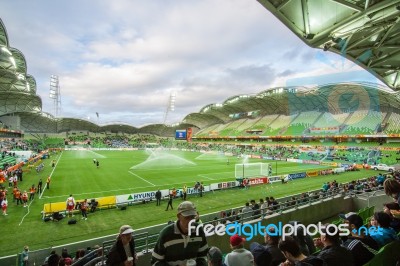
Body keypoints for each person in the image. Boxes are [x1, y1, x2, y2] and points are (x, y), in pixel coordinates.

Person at [151, 201, 208, 265]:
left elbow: (203, 256)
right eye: (187, 217)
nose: (190, 221)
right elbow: (156, 261)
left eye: (192, 217)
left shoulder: (199, 230)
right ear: (178, 216)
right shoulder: (166, 234)